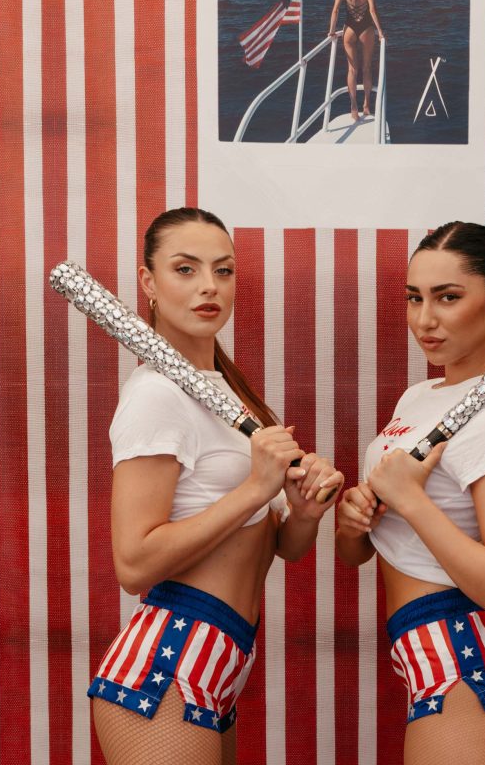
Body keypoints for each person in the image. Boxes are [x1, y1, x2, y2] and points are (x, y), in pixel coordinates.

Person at [88, 207, 343, 765]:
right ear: (148, 282)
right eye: (186, 269)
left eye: (223, 271)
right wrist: (255, 487)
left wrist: (301, 511)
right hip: (168, 666)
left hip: (220, 659)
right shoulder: (157, 394)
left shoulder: (230, 393)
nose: (209, 286)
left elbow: (277, 548)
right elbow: (134, 565)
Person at [336, 222, 485, 765]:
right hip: (426, 650)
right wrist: (355, 519)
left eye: (447, 298)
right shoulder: (419, 396)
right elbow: (364, 551)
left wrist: (410, 499)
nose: (424, 320)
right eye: (415, 298)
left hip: (473, 660)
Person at [328, 0, 385, 120]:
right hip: (366, 29)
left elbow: (335, 10)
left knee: (352, 70)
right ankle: (366, 105)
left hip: (349, 30)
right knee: (366, 68)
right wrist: (380, 31)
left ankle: (353, 106)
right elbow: (372, 11)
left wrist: (332, 30)